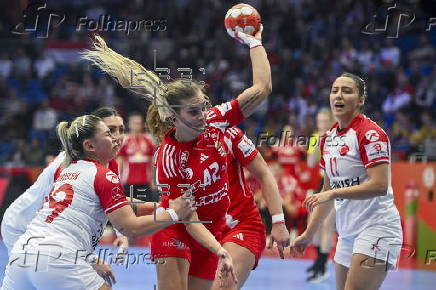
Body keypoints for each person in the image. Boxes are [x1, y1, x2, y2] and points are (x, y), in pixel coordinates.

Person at [81, 22, 271, 290]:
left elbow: (262, 88)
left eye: (203, 107)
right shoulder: (168, 158)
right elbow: (187, 217)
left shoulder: (216, 120)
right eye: (194, 112)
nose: (203, 115)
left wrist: (254, 43)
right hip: (178, 229)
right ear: (174, 117)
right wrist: (221, 251)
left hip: (210, 231)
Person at [1, 115, 195, 290]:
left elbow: (98, 205)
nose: (115, 138)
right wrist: (174, 213)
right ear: (90, 146)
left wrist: (158, 206)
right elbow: (131, 228)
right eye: (108, 133)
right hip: (47, 249)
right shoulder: (102, 174)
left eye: (118, 130)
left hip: (22, 253)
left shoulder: (69, 168)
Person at [292, 73, 403, 290]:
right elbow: (326, 193)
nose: (338, 96)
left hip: (378, 228)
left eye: (347, 91)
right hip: (348, 232)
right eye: (334, 90)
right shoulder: (327, 139)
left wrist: (334, 193)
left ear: (361, 100)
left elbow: (380, 186)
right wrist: (309, 234)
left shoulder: (370, 134)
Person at [211, 127, 290, 290]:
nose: (200, 116)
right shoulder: (174, 148)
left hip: (241, 226)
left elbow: (264, 173)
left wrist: (278, 221)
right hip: (202, 230)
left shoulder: (229, 134)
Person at [305, 108, 336, 282]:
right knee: (313, 224)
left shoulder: (337, 137)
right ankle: (318, 262)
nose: (322, 124)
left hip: (334, 187)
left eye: (325, 121)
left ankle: (323, 267)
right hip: (320, 185)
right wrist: (318, 141)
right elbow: (311, 162)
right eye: (319, 121)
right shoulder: (316, 138)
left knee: (327, 226)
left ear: (331, 121)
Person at [117, 112, 156, 202]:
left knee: (147, 209)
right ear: (129, 124)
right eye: (134, 123)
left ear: (142, 125)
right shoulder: (124, 140)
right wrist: (118, 181)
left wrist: (154, 180)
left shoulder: (148, 140)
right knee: (131, 210)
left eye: (138, 123)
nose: (136, 125)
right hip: (128, 182)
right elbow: (120, 162)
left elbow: (152, 162)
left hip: (145, 182)